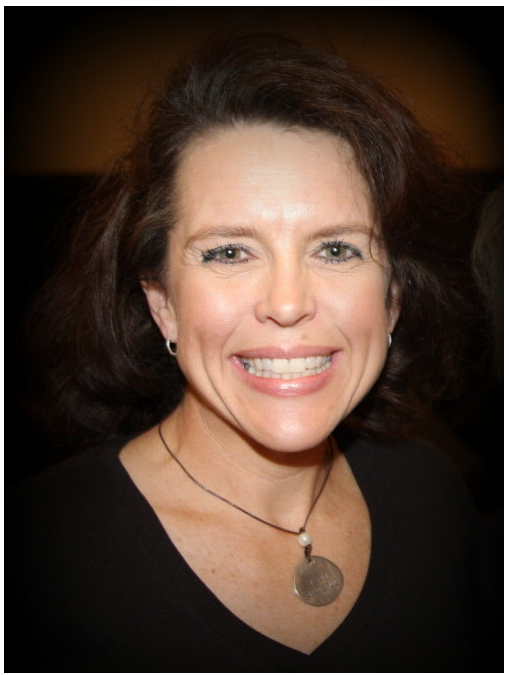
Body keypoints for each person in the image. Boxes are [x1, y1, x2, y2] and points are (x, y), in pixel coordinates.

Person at [8, 33, 487, 672]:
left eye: (336, 249)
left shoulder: (431, 494)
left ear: (393, 300)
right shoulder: (34, 552)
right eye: (229, 252)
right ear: (162, 304)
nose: (287, 303)